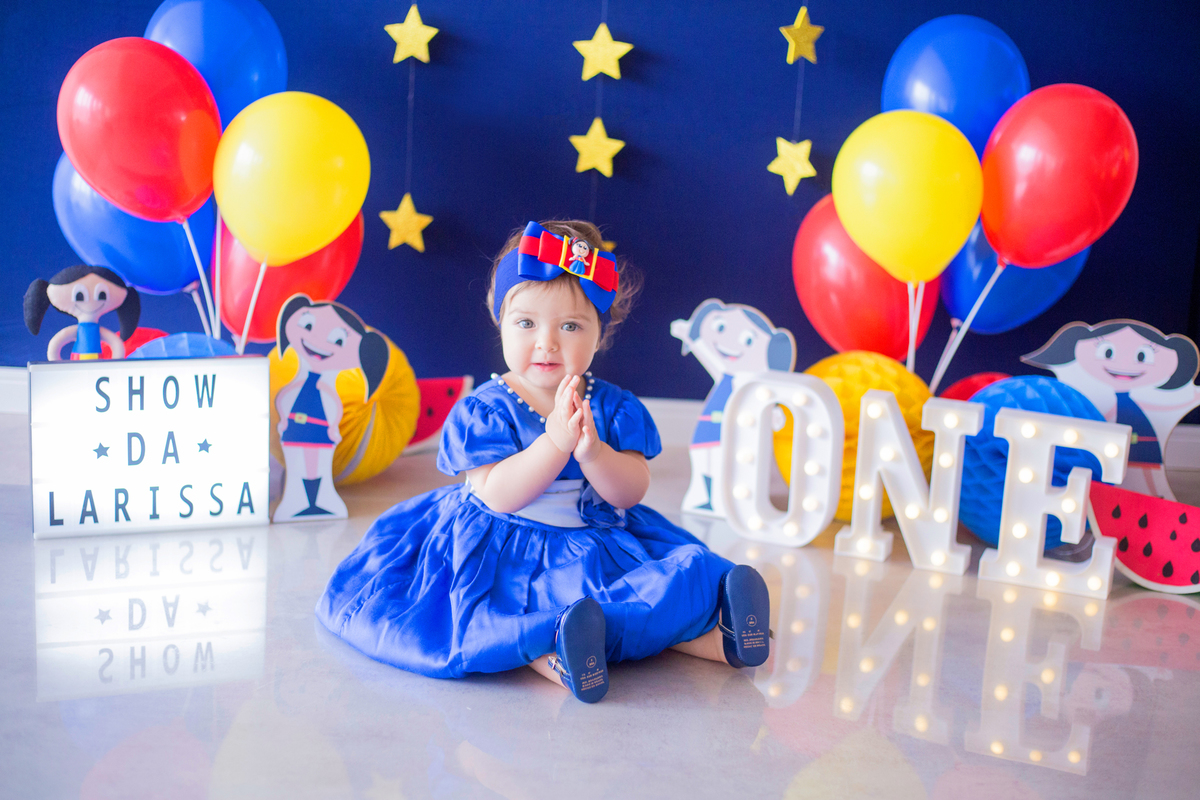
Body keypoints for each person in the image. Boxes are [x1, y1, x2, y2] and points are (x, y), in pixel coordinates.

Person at [317, 220, 771, 703]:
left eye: (570, 326)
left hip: (595, 537)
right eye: (527, 323)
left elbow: (630, 492)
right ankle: (563, 655)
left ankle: (724, 641)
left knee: (665, 585)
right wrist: (554, 443)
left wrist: (593, 452)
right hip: (503, 545)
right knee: (509, 610)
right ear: (501, 322)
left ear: (601, 334)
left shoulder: (613, 406)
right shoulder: (486, 408)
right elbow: (497, 493)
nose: (547, 342)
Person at [1023, 319, 1200, 500]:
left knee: (1147, 470)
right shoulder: (1084, 399)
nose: (1124, 365)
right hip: (1094, 454)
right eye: (1107, 352)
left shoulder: (1157, 402)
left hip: (1142, 445)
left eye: (1142, 356)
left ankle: (1156, 498)